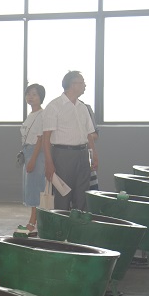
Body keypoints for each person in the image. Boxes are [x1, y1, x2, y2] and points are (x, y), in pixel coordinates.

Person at [42, 71, 97, 211]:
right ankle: (62, 224)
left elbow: (89, 135)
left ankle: (79, 223)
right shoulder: (54, 106)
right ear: (73, 85)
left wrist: (93, 156)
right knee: (63, 196)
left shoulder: (82, 107)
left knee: (82, 194)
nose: (85, 85)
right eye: (82, 82)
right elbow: (46, 138)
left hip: (83, 154)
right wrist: (48, 163)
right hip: (63, 155)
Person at [20, 84, 47, 234]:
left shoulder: (42, 115)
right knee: (30, 188)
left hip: (36, 153)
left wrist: (33, 159)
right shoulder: (31, 115)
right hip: (28, 152)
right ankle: (35, 221)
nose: (30, 97)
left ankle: (33, 222)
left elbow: (40, 139)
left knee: (36, 188)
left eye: (34, 94)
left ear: (41, 97)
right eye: (28, 94)